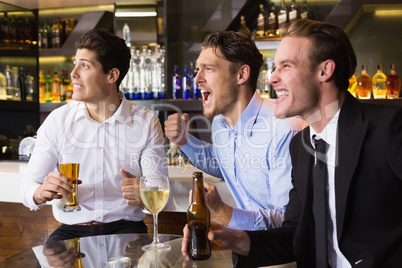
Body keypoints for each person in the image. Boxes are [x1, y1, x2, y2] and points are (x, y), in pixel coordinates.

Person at [182, 19, 402, 267]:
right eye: (274, 68)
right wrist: (233, 239)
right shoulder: (302, 146)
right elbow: (294, 236)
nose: (273, 78)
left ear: (324, 71)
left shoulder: (389, 128)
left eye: (285, 66)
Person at [20, 29, 168, 242]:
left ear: (112, 75)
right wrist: (41, 192)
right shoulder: (58, 120)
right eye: (75, 64)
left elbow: (162, 189)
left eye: (85, 66)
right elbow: (27, 186)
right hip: (70, 232)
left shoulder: (146, 122)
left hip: (127, 232)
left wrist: (144, 196)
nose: (73, 74)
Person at [164, 31, 303, 231]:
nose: (197, 79)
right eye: (197, 70)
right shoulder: (220, 124)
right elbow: (226, 164)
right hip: (244, 246)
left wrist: (223, 212)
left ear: (241, 75)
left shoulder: (283, 130)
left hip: (281, 256)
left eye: (208, 69)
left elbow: (288, 221)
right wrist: (185, 141)